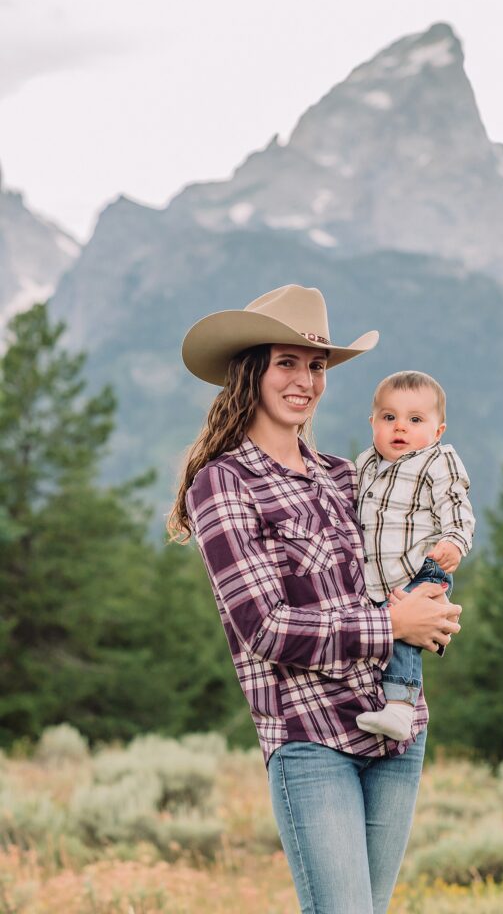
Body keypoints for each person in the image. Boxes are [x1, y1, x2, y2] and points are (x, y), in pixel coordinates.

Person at [167, 284, 462, 914]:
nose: (306, 380)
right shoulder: (223, 483)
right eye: (287, 363)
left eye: (317, 366)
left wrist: (429, 609)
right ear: (250, 371)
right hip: (309, 736)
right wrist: (391, 623)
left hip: (395, 731)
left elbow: (395, 562)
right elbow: (264, 627)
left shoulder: (343, 474)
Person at [355, 371, 475, 742]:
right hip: (379, 576)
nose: (400, 428)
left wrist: (454, 541)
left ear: (438, 431)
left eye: (415, 420)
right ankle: (384, 701)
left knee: (405, 634)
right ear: (373, 423)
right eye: (389, 418)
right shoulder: (365, 465)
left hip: (422, 564)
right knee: (387, 633)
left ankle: (401, 708)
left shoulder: (437, 460)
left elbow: (456, 505)